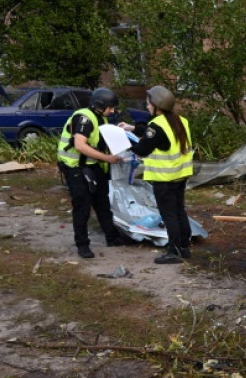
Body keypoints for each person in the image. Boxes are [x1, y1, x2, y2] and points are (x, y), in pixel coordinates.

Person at [120, 85, 194, 264]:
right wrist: (132, 128)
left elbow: (143, 148)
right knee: (179, 211)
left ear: (156, 105)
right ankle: (184, 248)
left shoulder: (157, 125)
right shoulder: (180, 120)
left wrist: (121, 140)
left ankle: (173, 252)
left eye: (148, 103)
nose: (146, 106)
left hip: (164, 178)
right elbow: (152, 134)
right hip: (180, 175)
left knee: (169, 215)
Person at [57, 87, 128, 259]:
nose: (112, 111)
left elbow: (100, 140)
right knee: (82, 206)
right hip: (75, 166)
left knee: (102, 202)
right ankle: (82, 244)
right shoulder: (83, 118)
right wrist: (106, 158)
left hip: (92, 164)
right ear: (99, 105)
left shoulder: (101, 118)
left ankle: (112, 237)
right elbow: (80, 145)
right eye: (110, 107)